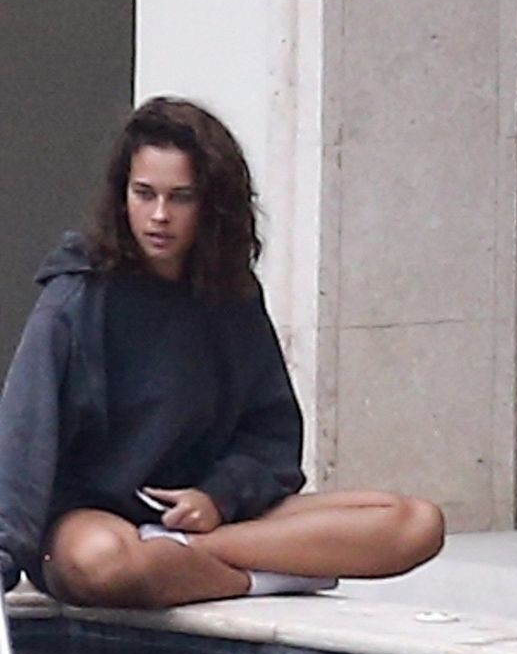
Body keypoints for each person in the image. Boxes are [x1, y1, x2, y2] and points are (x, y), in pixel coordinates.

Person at [0, 97, 445, 608]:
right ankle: (265, 575)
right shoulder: (76, 297)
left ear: (210, 204)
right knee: (103, 564)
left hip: (208, 519)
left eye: (181, 198)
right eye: (144, 194)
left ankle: (190, 559)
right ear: (122, 196)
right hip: (94, 522)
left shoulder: (230, 293)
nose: (159, 216)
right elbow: (24, 435)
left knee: (415, 523)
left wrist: (218, 497)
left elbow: (271, 435)